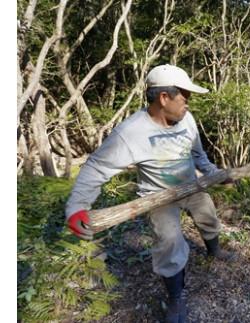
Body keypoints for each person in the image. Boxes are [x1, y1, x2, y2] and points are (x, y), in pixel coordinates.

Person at [65, 64, 235, 323]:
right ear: (164, 98)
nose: (188, 104)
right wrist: (77, 206)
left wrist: (215, 174)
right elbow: (97, 167)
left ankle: (214, 251)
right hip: (157, 196)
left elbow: (199, 154)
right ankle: (176, 299)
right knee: (169, 241)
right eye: (185, 97)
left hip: (192, 186)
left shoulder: (186, 119)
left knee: (208, 215)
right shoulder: (131, 132)